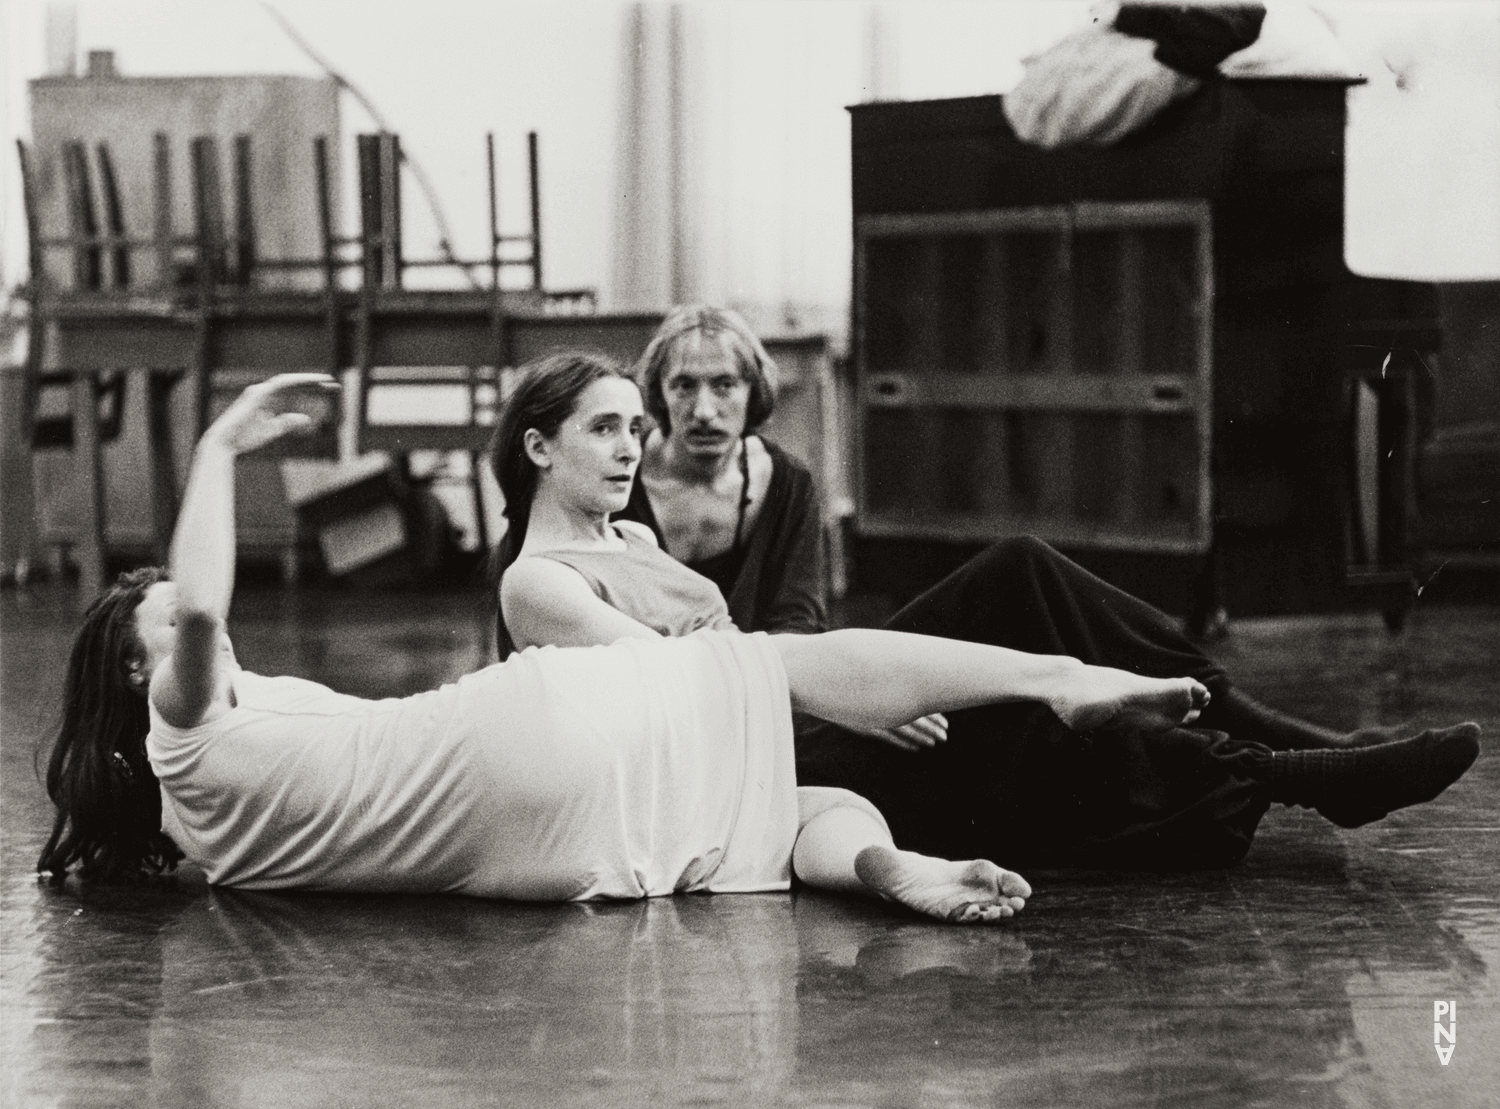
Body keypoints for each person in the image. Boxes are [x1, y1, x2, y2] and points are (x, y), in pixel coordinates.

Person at [40, 374, 1229, 925]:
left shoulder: (213, 832)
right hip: (515, 737)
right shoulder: (186, 731)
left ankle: (885, 864)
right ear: (139, 673)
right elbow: (206, 613)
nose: (194, 620)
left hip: (542, 862)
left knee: (792, 808)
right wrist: (217, 449)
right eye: (161, 618)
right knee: (770, 668)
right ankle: (1058, 678)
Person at [491, 352, 1481, 872]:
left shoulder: (631, 537)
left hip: (793, 707)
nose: (631, 447)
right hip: (760, 764)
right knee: (1015, 713)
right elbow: (700, 686)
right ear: (539, 447)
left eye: (634, 426)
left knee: (1023, 571)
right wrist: (855, 698)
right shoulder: (536, 582)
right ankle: (1299, 773)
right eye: (604, 428)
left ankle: (1288, 740)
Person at [613, 305, 824, 636]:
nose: (704, 412)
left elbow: (798, 621)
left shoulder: (788, 482)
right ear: (659, 392)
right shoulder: (617, 472)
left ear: (753, 391)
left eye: (724, 384)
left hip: (752, 664)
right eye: (684, 385)